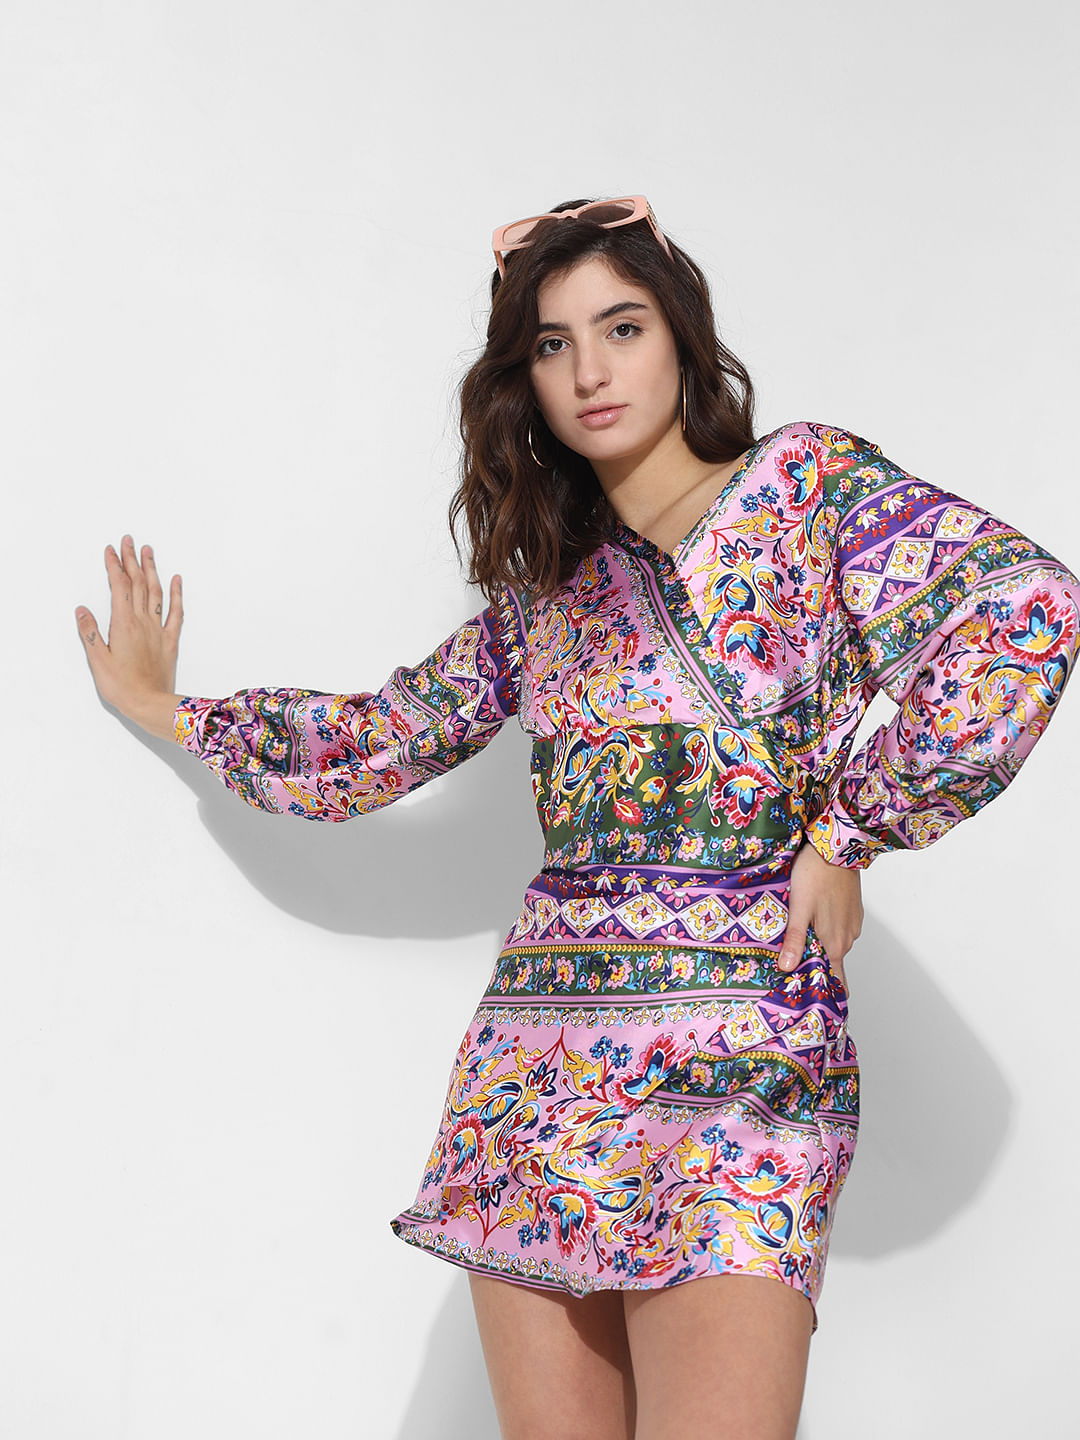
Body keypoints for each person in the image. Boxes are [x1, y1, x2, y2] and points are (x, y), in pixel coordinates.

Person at [75, 196, 1080, 1440]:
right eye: (552, 344)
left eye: (623, 326)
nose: (591, 370)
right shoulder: (546, 594)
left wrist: (850, 831)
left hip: (742, 1062)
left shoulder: (804, 489)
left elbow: (1025, 611)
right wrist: (170, 710)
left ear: (683, 339)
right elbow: (380, 742)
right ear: (526, 381)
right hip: (535, 1076)